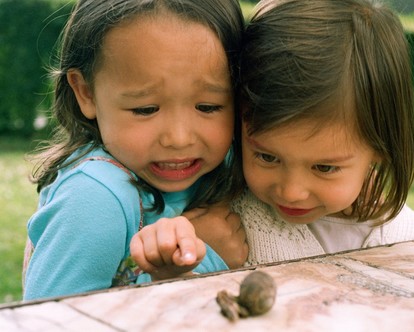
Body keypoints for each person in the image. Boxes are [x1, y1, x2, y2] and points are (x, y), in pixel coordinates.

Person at [23, 0, 247, 301]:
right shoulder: (93, 199)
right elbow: (51, 321)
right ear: (86, 92)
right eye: (145, 109)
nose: (178, 139)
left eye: (208, 107)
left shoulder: (240, 162)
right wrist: (203, 257)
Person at [231, 0, 414, 265]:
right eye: (267, 157)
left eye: (324, 168)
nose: (292, 192)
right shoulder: (230, 226)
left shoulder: (409, 240)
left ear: (382, 145)